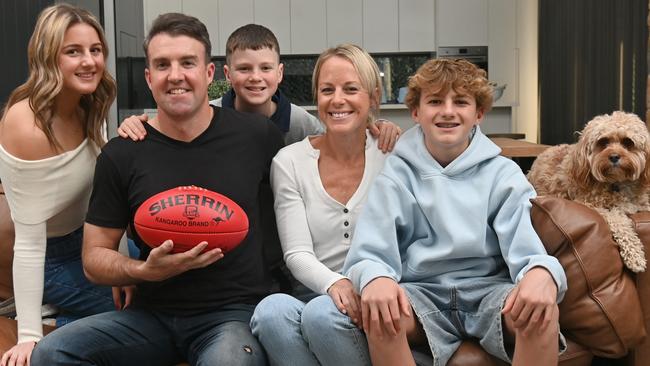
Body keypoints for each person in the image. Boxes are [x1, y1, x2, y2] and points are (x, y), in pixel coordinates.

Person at [31, 12, 283, 366]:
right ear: (149, 77)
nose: (175, 75)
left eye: (187, 63)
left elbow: (313, 171)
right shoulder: (122, 153)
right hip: (151, 316)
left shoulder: (258, 137)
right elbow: (94, 257)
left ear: (209, 74)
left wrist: (378, 131)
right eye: (162, 65)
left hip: (231, 316)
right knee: (52, 351)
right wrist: (141, 271)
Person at [299, 58, 569, 366]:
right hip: (421, 294)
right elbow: (368, 256)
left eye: (461, 102)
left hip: (489, 292)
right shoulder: (396, 174)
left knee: (543, 313)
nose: (448, 111)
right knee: (382, 311)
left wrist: (542, 273)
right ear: (416, 112)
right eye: (435, 101)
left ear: (479, 113)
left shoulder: (503, 175)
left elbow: (528, 251)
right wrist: (375, 278)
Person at [249, 44, 390, 365]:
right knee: (271, 312)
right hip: (314, 292)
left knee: (322, 316)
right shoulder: (290, 161)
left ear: (373, 95)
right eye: (327, 90)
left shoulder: (392, 154)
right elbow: (296, 254)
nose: (337, 99)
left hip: (380, 294)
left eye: (351, 89)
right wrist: (334, 283)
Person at [0, 4, 120, 365]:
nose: (89, 62)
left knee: (162, 291)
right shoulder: (27, 124)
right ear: (49, 57)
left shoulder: (89, 102)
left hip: (94, 238)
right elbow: (30, 244)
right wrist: (29, 337)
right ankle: (50, 319)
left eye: (95, 50)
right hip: (50, 257)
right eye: (73, 51)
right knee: (136, 310)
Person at [118, 23, 401, 151]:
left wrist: (378, 126)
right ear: (226, 74)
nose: (255, 78)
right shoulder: (209, 115)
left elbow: (341, 140)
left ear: (279, 73)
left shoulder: (301, 124)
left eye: (265, 68)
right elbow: (174, 124)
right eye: (244, 69)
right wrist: (137, 124)